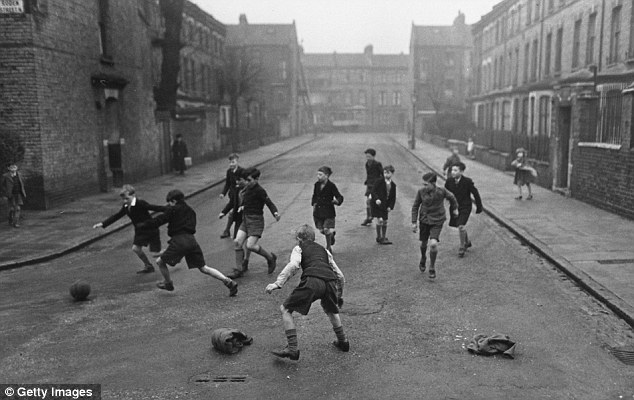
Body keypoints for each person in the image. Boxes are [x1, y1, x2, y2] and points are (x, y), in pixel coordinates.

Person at [266, 225, 348, 361]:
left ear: (299, 239)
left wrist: (277, 283)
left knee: (285, 309)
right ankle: (343, 342)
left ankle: (292, 349)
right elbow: (340, 276)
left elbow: (294, 265)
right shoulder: (324, 250)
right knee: (331, 310)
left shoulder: (299, 248)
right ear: (314, 238)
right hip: (330, 281)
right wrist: (339, 295)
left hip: (313, 281)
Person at [137, 189, 238, 295]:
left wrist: (143, 225)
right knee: (203, 268)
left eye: (170, 202)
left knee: (160, 262)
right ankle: (227, 281)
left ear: (174, 201)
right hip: (191, 240)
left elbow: (158, 220)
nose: (169, 205)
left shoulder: (172, 210)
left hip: (178, 241)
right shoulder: (190, 210)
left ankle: (168, 283)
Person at [92, 185, 167, 274]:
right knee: (136, 249)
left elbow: (155, 207)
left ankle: (173, 252)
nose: (125, 201)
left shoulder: (140, 203)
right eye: (123, 199)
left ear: (133, 195)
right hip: (140, 231)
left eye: (127, 198)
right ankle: (149, 266)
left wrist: (172, 209)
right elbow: (117, 216)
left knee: (155, 254)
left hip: (151, 230)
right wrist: (103, 223)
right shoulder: (126, 206)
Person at [228, 167, 280, 279]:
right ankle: (239, 269)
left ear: (256, 179)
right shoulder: (247, 188)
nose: (247, 183)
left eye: (249, 180)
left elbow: (269, 203)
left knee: (250, 245)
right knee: (237, 242)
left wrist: (275, 213)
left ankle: (270, 258)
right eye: (246, 180)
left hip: (256, 221)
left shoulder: (260, 191)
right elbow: (246, 200)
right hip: (245, 219)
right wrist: (242, 206)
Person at [411, 172, 458, 279]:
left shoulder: (441, 191)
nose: (424, 186)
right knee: (423, 243)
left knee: (433, 244)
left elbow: (452, 197)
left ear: (433, 183)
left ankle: (432, 267)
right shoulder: (421, 192)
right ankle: (423, 258)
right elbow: (415, 206)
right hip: (424, 220)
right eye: (424, 184)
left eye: (426, 184)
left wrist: (454, 209)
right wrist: (414, 222)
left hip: (437, 220)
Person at [444, 162, 483, 257]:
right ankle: (467, 241)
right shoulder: (449, 181)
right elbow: (445, 193)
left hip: (465, 206)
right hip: (454, 207)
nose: (453, 172)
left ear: (461, 171)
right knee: (459, 226)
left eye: (455, 170)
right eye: (452, 170)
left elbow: (475, 193)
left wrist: (479, 206)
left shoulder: (467, 182)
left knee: (461, 226)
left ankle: (462, 247)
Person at [219, 169, 251, 270]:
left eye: (239, 180)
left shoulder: (250, 190)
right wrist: (223, 212)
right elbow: (232, 203)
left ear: (245, 180)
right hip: (239, 220)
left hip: (249, 219)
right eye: (236, 181)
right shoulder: (237, 190)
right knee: (238, 242)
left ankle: (246, 261)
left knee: (249, 243)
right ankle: (241, 265)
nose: (237, 183)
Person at [311, 166, 344, 253]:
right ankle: (331, 235)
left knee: (326, 229)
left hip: (328, 211)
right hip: (318, 212)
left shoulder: (331, 186)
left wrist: (337, 201)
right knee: (322, 230)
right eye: (317, 174)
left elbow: (339, 196)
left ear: (327, 175)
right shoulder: (316, 185)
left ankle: (328, 247)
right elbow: (314, 195)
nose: (318, 176)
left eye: (320, 175)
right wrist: (314, 203)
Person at [219, 153, 244, 239]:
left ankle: (231, 232)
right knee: (233, 213)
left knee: (235, 214)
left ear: (237, 161)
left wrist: (240, 187)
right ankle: (227, 231)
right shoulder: (229, 172)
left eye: (233, 162)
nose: (231, 164)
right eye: (230, 162)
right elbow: (227, 184)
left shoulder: (242, 171)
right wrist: (223, 193)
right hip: (233, 195)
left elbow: (245, 184)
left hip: (240, 196)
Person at [371, 165, 396, 245]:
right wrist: (376, 199)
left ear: (392, 174)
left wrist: (390, 207)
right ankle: (379, 236)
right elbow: (373, 191)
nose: (386, 175)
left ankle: (384, 236)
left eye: (388, 173)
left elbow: (393, 197)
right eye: (385, 172)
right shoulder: (379, 181)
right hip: (378, 204)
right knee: (380, 220)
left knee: (385, 221)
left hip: (385, 205)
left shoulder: (393, 185)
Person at [361, 148, 383, 226]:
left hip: (375, 186)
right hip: (369, 185)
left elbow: (382, 174)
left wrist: (379, 183)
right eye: (366, 156)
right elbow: (369, 174)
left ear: (373, 156)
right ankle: (369, 217)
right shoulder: (367, 164)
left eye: (369, 156)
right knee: (368, 201)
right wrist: (367, 180)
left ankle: (372, 217)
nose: (368, 158)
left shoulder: (377, 164)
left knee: (371, 201)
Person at [1, 164, 26, 228]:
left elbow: (21, 183)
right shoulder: (5, 176)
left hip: (18, 194)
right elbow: (2, 185)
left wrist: (22, 192)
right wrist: (6, 192)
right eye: (11, 167)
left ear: (17, 168)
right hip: (11, 195)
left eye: (14, 167)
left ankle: (16, 223)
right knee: (11, 209)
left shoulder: (19, 175)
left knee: (17, 208)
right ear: (8, 168)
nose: (13, 168)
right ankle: (10, 218)